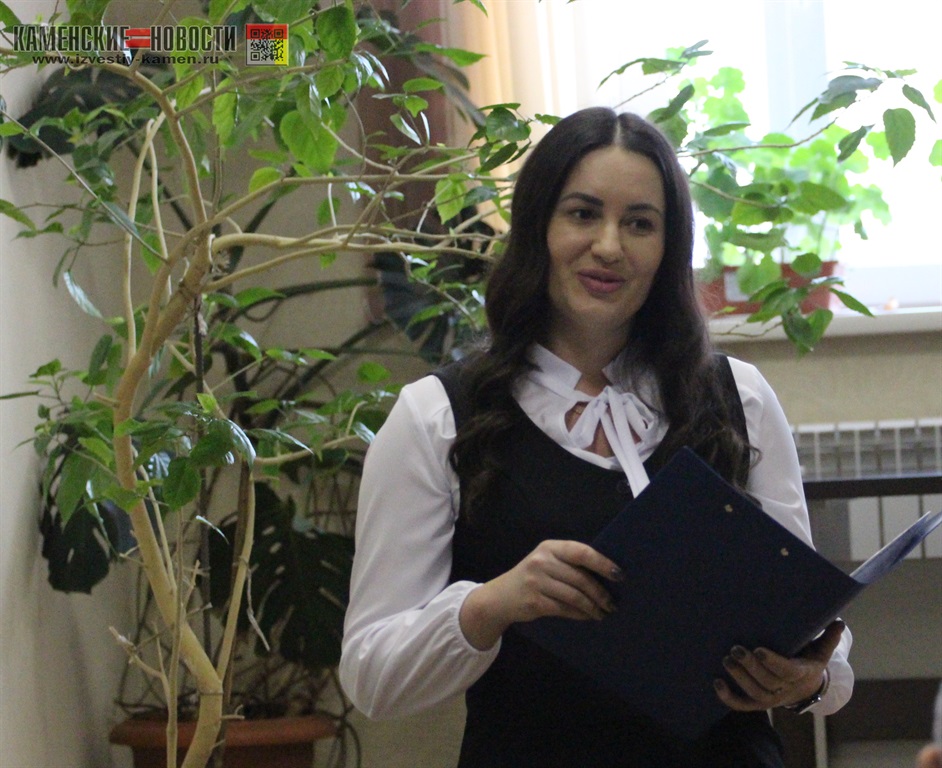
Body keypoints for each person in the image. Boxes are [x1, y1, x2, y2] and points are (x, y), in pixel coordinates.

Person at [339, 107, 853, 767]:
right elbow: (372, 678)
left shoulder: (740, 398)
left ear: (668, 247)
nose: (609, 246)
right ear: (537, 227)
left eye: (639, 223)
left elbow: (807, 620)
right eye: (583, 214)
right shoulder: (436, 417)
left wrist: (811, 678)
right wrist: (493, 603)